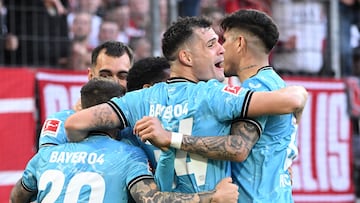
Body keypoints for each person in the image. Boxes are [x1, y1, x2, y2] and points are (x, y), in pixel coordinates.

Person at [64, 16, 307, 194]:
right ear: (187, 57)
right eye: (211, 45)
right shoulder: (216, 95)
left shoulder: (139, 100)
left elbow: (75, 123)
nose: (221, 49)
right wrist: (299, 94)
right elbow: (291, 100)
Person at [10, 78, 238, 203]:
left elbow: (16, 197)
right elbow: (152, 199)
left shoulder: (46, 156)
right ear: (115, 114)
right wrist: (213, 197)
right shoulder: (128, 155)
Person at [38, 40, 133, 148]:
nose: (115, 82)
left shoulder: (138, 124)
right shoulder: (59, 122)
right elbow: (48, 163)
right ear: (91, 76)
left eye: (122, 76)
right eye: (105, 75)